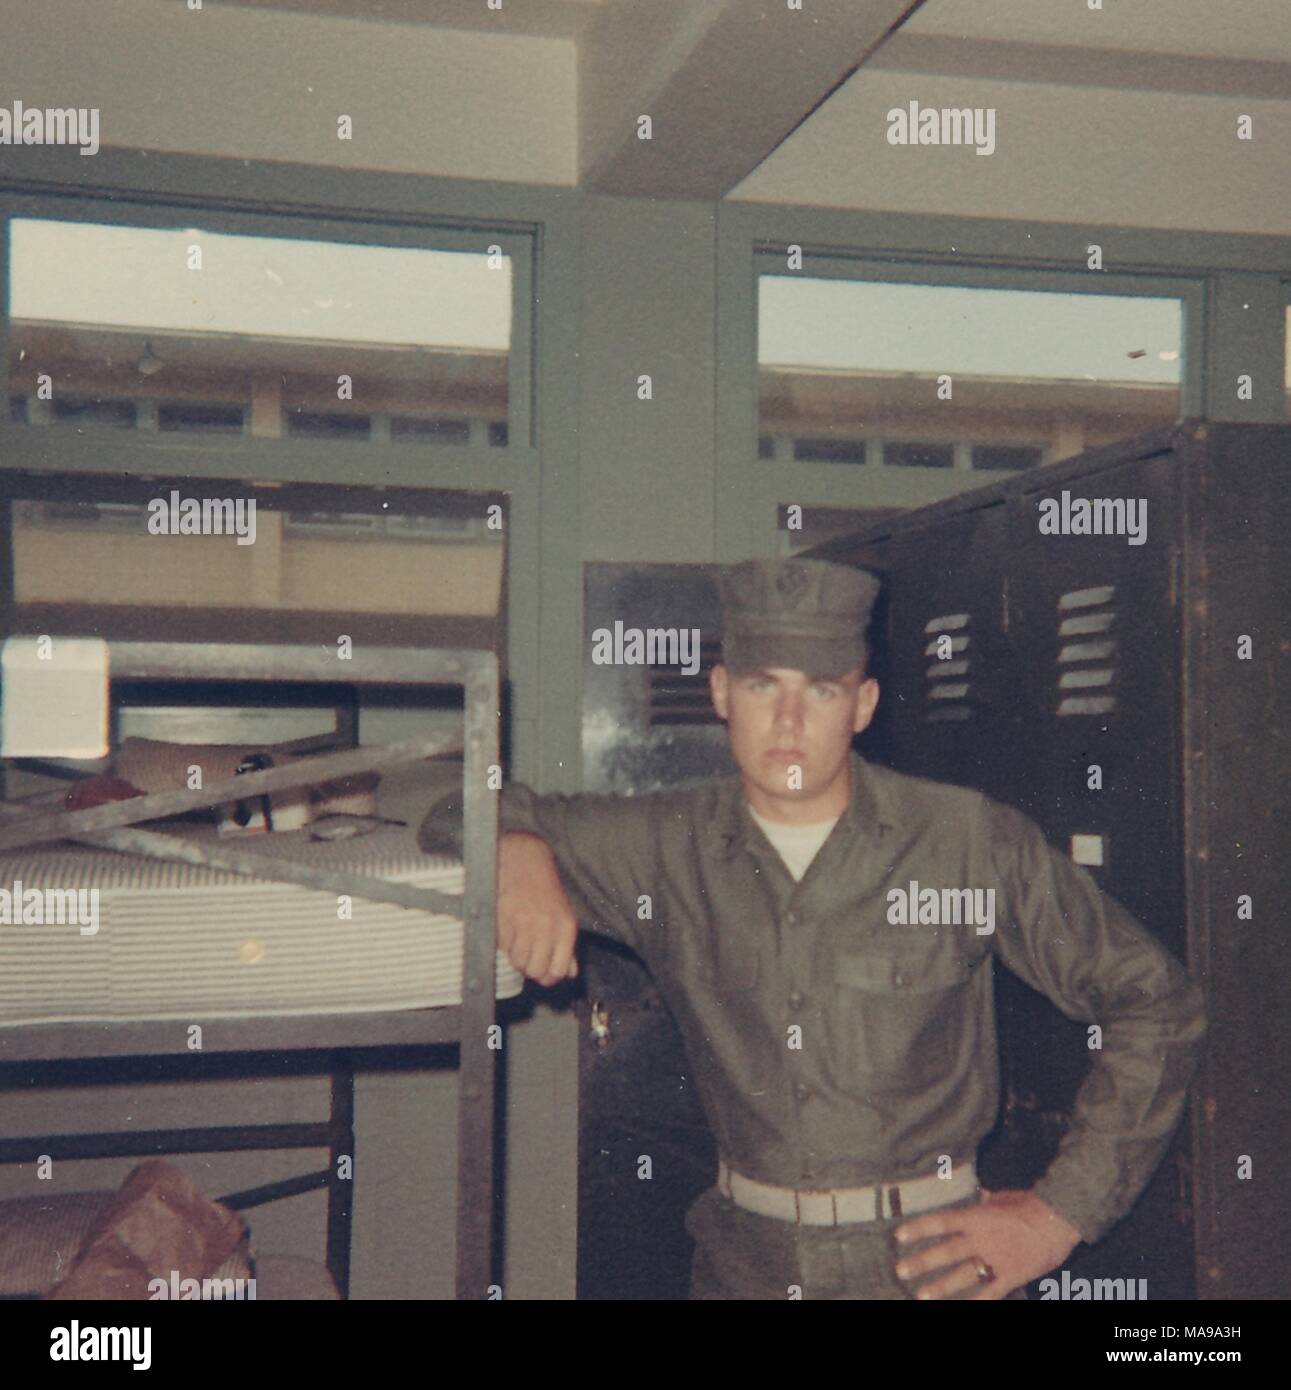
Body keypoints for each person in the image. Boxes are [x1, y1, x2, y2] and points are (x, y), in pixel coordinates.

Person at [419, 556, 1208, 1300]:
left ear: (862, 704)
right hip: (744, 1263)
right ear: (722, 692)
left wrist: (1057, 1215)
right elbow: (453, 811)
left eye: (822, 690)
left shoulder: (964, 841)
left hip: (928, 1263)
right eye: (764, 686)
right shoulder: (661, 844)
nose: (789, 721)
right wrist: (515, 848)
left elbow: (1153, 1000)